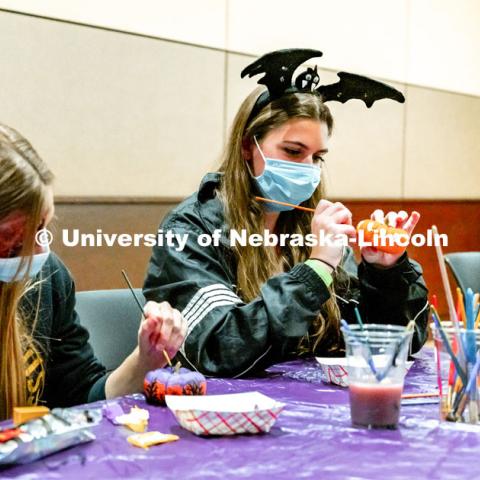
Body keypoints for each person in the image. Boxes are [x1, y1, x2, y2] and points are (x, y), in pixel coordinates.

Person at [143, 49, 429, 378]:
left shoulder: (313, 228)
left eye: (317, 157)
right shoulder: (192, 228)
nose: (308, 171)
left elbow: (389, 344)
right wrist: (317, 269)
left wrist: (384, 273)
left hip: (309, 413)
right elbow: (220, 348)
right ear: (249, 147)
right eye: (293, 152)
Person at [0, 123, 186, 420]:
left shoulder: (48, 278)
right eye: (15, 242)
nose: (38, 252)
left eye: (43, 229)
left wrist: (145, 360)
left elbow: (80, 396)